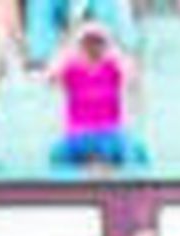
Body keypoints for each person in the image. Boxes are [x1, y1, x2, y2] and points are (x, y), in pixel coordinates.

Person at [47, 19, 147, 171]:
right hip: (79, 134)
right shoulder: (71, 69)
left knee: (135, 152)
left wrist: (115, 51)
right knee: (57, 154)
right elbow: (50, 77)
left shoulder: (112, 67)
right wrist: (68, 49)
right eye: (88, 42)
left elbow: (133, 78)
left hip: (109, 132)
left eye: (98, 42)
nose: (93, 47)